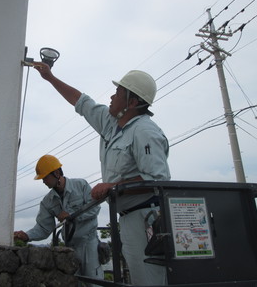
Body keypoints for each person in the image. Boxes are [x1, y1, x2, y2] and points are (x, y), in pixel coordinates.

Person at [33, 62, 170, 286]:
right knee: (138, 277)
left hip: (146, 218)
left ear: (132, 102)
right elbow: (80, 101)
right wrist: (50, 77)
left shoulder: (145, 131)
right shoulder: (111, 123)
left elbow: (157, 179)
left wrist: (113, 186)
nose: (112, 97)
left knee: (150, 280)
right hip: (126, 217)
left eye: (118, 92)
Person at [14, 154, 103, 286]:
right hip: (69, 247)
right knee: (74, 283)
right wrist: (27, 236)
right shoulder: (47, 202)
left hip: (88, 242)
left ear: (56, 173)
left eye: (45, 178)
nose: (43, 181)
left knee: (94, 282)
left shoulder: (81, 185)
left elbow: (94, 208)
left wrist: (71, 215)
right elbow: (44, 228)